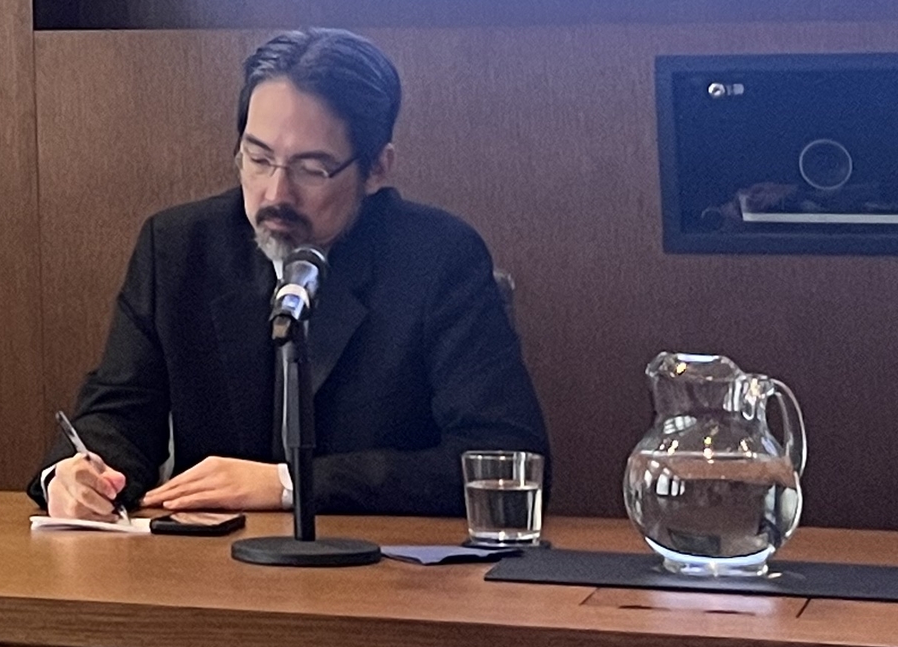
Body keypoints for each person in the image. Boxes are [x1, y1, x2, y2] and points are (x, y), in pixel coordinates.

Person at [36, 28, 546, 520]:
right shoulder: (178, 248)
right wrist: (78, 475)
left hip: (388, 577)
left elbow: (505, 458)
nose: (276, 194)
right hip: (209, 572)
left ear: (376, 170)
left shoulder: (438, 259)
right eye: (258, 159)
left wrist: (289, 484)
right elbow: (118, 414)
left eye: (311, 168)